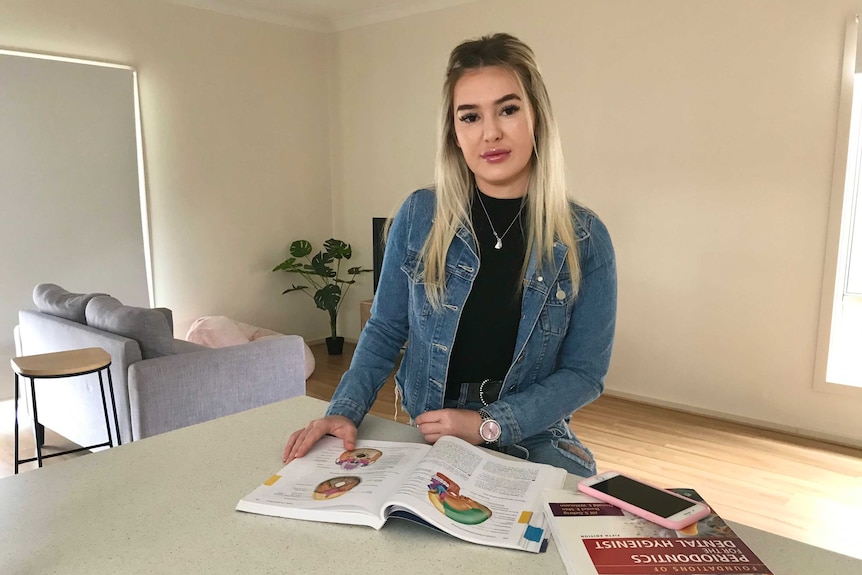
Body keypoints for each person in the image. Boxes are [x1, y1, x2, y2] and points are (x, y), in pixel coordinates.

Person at [283, 32, 616, 477]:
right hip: (429, 430)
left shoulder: (585, 238)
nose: (491, 132)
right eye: (470, 116)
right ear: (454, 134)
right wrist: (345, 409)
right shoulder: (419, 215)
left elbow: (583, 373)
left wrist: (488, 425)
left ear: (536, 116)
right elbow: (384, 330)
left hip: (532, 434)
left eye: (508, 109)